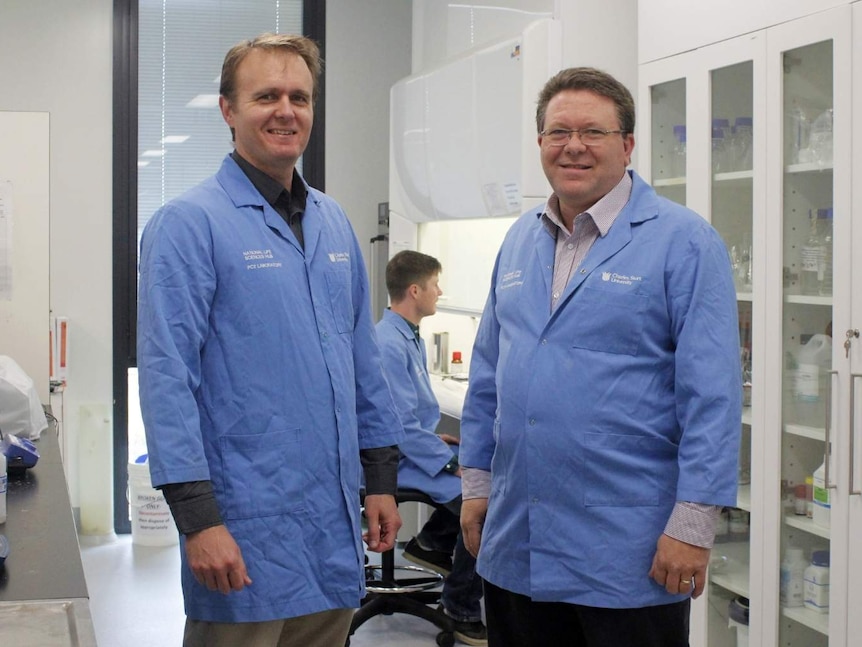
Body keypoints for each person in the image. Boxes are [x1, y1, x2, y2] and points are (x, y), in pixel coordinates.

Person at [458, 67, 742, 647]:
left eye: (594, 131)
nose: (574, 146)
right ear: (540, 143)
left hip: (628, 549)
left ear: (628, 145)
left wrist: (693, 526)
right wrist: (476, 483)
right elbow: (488, 374)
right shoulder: (519, 239)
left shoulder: (683, 242)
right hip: (519, 538)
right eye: (558, 131)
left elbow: (711, 395)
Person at [137, 33, 405, 647]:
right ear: (228, 110)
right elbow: (166, 376)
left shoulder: (333, 221)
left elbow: (362, 359)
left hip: (330, 525)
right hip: (243, 526)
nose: (286, 110)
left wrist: (381, 477)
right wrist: (198, 520)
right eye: (266, 96)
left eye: (300, 97)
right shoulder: (188, 225)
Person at [375, 250, 487, 646]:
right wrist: (449, 463)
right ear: (415, 290)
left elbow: (408, 417)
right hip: (393, 462)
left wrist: (434, 439)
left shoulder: (408, 336)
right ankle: (459, 605)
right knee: (483, 500)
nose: (440, 292)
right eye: (436, 284)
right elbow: (399, 427)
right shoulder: (389, 344)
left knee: (478, 479)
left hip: (410, 450)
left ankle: (432, 544)